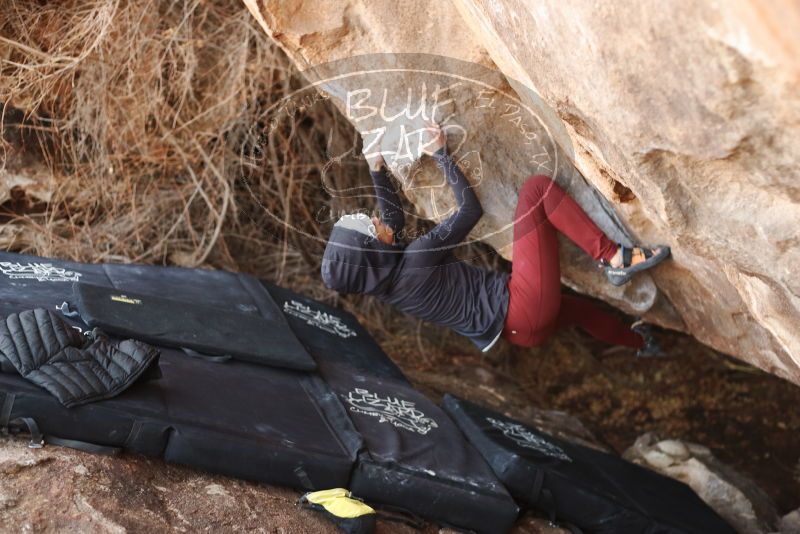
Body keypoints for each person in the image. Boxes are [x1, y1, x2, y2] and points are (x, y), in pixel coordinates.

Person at [321, 122, 670, 356]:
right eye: (372, 226)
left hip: (520, 334)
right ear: (375, 252)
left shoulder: (388, 280)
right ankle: (611, 258)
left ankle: (640, 343)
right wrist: (441, 153)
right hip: (522, 306)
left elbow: (392, 222)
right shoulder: (417, 258)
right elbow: (469, 211)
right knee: (535, 191)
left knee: (582, 312)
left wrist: (376, 168)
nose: (378, 219)